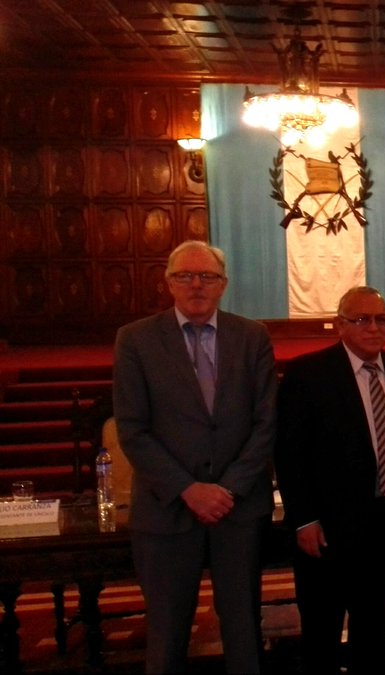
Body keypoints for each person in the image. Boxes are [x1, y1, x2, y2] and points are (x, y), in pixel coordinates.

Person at [113, 240, 276, 674]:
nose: (196, 285)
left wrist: (227, 489)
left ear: (224, 284)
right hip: (167, 510)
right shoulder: (136, 340)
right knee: (166, 638)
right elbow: (133, 429)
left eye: (207, 276)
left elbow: (266, 423)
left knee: (244, 633)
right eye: (185, 276)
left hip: (238, 510)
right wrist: (188, 489)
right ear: (168, 283)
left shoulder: (252, 336)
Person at [274, 287, 385, 673]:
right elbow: (290, 453)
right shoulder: (308, 374)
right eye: (362, 319)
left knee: (374, 632)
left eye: (381, 319)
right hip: (328, 531)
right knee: (322, 636)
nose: (373, 327)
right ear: (340, 325)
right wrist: (304, 519)